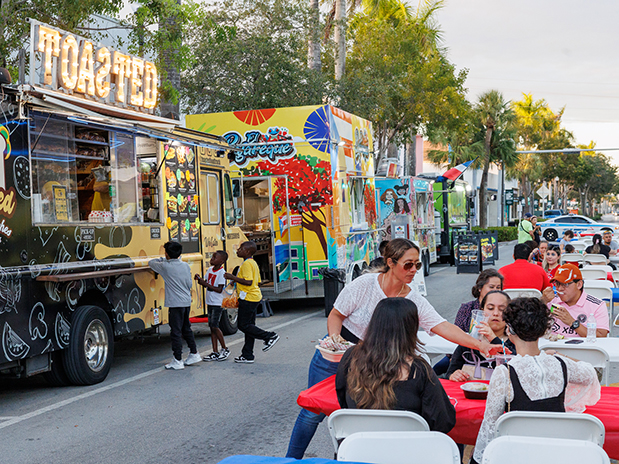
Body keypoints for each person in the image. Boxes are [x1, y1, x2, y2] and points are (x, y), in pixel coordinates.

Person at [285, 238, 505, 459]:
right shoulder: (365, 284)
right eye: (408, 264)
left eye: (417, 265)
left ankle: (358, 452)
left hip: (378, 359)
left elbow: (442, 326)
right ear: (390, 262)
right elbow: (336, 314)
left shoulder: (414, 300)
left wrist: (479, 344)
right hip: (340, 352)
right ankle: (291, 460)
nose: (413, 270)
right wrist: (336, 342)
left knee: (372, 409)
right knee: (312, 412)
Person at [471, 297, 600, 463]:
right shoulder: (561, 364)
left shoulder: (505, 372)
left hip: (517, 455)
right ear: (542, 331)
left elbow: (490, 427)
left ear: (509, 330)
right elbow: (591, 373)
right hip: (557, 454)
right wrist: (559, 356)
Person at [335, 298, 456, 433]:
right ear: (411, 329)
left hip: (358, 448)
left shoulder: (351, 357)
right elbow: (443, 421)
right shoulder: (419, 370)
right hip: (407, 450)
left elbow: (343, 400)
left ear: (374, 324)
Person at [149, 241, 201, 370]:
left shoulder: (165, 267)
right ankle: (194, 352)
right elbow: (189, 284)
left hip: (175, 303)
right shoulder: (185, 265)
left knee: (176, 331)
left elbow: (151, 263)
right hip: (186, 301)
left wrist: (163, 259)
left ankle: (177, 359)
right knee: (186, 328)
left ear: (166, 253)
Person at [224, 241, 279, 363]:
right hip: (254, 297)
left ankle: (269, 336)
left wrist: (232, 277)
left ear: (247, 252)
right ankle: (247, 354)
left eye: (241, 248)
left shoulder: (247, 264)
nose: (238, 250)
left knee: (243, 325)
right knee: (250, 326)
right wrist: (237, 282)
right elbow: (257, 282)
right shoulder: (252, 263)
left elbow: (248, 281)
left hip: (248, 298)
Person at [446, 291, 515, 382]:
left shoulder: (514, 341)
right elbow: (450, 373)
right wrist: (454, 375)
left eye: (502, 309)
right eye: (490, 308)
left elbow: (519, 368)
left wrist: (493, 339)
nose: (495, 313)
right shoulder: (470, 342)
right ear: (482, 311)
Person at [547, 264, 609, 338]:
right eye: (557, 284)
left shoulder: (597, 305)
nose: (559, 289)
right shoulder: (551, 300)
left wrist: (572, 322)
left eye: (565, 284)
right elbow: (532, 327)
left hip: (582, 348)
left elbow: (601, 336)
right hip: (551, 346)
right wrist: (542, 301)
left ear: (579, 285)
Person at [195, 250, 230, 362]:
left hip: (217, 303)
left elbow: (219, 289)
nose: (212, 259)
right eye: (212, 257)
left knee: (215, 326)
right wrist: (199, 279)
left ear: (222, 261)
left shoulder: (222, 273)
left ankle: (224, 348)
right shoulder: (210, 270)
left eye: (215, 257)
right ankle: (215, 351)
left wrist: (205, 284)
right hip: (210, 302)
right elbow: (206, 281)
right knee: (211, 327)